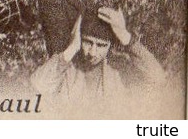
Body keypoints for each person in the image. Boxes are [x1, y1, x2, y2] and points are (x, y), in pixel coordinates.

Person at [31, 7, 166, 111]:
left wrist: (126, 37)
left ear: (110, 45)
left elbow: (158, 78)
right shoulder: (68, 68)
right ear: (79, 39)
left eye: (101, 45)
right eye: (88, 42)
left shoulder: (119, 68)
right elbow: (37, 84)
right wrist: (72, 47)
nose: (92, 52)